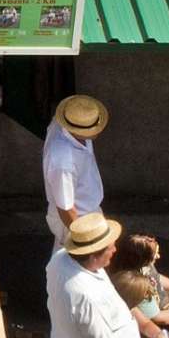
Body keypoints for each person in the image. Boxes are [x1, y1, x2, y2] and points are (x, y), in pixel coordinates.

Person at [42, 94, 107, 248]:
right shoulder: (63, 162)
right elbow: (66, 208)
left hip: (89, 212)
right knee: (78, 264)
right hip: (77, 220)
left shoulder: (64, 122)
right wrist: (83, 241)